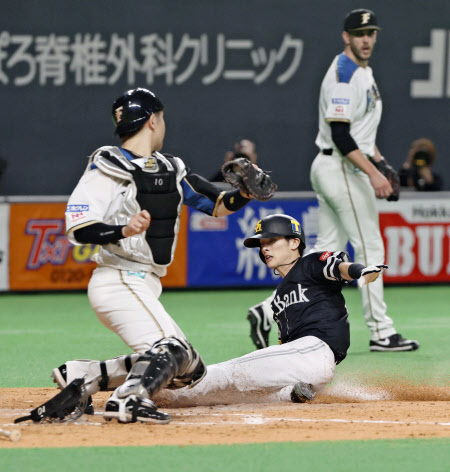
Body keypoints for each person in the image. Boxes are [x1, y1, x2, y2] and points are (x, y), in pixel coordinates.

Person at [53, 87, 261, 424]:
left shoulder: (170, 168)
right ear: (153, 120)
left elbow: (218, 205)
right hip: (118, 278)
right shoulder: (108, 165)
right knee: (174, 351)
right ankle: (128, 398)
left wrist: (246, 194)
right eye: (161, 118)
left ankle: (82, 374)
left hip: (145, 284)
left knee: (189, 370)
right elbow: (78, 227)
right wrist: (123, 229)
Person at [52, 214, 388, 413]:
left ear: (295, 242)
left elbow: (338, 266)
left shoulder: (311, 263)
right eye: (261, 243)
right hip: (302, 360)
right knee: (200, 391)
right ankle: (93, 374)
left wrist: (360, 270)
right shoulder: (279, 297)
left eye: (272, 240)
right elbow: (285, 346)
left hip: (316, 352)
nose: (265, 247)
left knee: (208, 380)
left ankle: (93, 374)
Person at [246, 9, 420, 353]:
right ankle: (381, 332)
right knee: (370, 247)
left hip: (338, 167)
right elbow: (341, 135)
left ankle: (269, 309)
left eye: (371, 32)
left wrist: (382, 164)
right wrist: (374, 174)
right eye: (359, 33)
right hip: (340, 167)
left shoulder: (362, 72)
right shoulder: (344, 75)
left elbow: (361, 132)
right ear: (346, 36)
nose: (366, 39)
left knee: (323, 251)